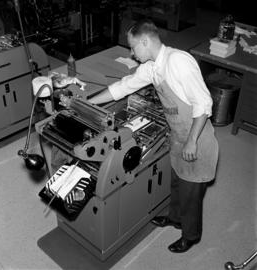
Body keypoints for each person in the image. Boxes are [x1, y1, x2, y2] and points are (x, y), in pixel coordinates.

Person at [88, 19, 219, 253]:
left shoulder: (178, 62)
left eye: (133, 47)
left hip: (196, 139)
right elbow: (123, 86)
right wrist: (88, 103)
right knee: (177, 181)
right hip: (178, 134)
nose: (132, 53)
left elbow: (204, 103)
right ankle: (175, 218)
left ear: (146, 41)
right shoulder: (151, 67)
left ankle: (191, 235)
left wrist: (191, 141)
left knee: (191, 193)